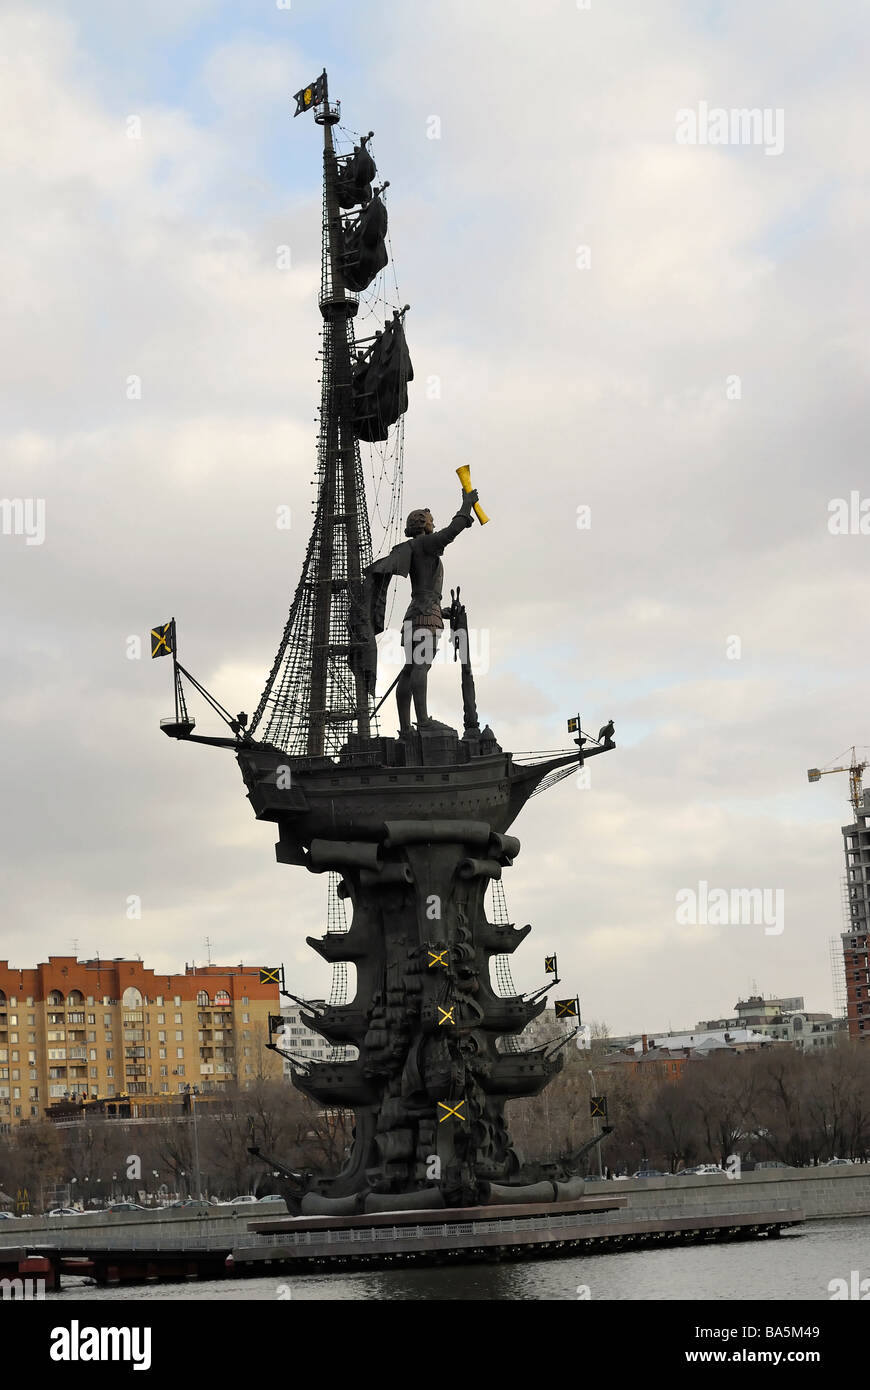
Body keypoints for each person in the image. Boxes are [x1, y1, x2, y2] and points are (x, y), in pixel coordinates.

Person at [367, 486, 479, 733]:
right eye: (430, 521)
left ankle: (406, 727)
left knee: (410, 666)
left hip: (418, 613)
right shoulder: (425, 544)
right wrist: (466, 505)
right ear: (423, 525)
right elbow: (451, 532)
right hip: (425, 617)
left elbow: (427, 592)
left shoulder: (416, 548)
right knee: (420, 665)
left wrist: (444, 611)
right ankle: (423, 720)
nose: (434, 523)